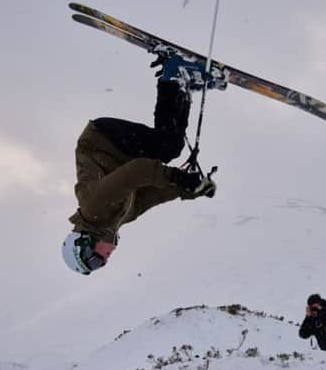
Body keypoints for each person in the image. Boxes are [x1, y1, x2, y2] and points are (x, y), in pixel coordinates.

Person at [61, 48, 226, 275]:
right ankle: (182, 85)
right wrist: (190, 189)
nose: (106, 260)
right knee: (171, 145)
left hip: (102, 140)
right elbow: (154, 193)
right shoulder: (120, 217)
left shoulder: (94, 208)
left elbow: (137, 172)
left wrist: (177, 177)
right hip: (121, 153)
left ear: (85, 244)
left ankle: (173, 75)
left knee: (166, 147)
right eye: (101, 265)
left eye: (96, 260)